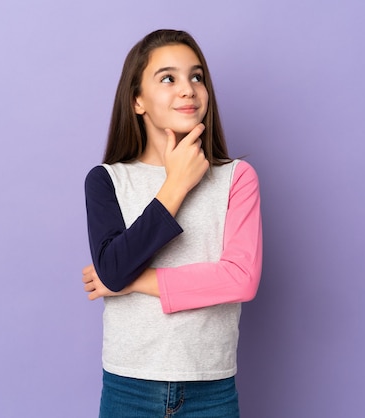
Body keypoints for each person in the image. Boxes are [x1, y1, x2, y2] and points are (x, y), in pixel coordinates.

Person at [82, 29, 262, 418]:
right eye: (168, 78)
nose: (188, 89)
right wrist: (176, 184)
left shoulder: (237, 177)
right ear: (137, 100)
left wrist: (135, 281)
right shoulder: (107, 180)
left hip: (211, 389)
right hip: (129, 385)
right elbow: (112, 267)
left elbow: (240, 279)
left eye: (196, 77)